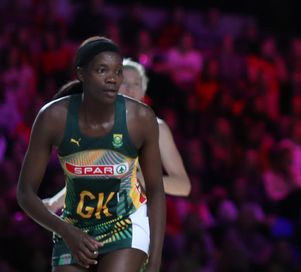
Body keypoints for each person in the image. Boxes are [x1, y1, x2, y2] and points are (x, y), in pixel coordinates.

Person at [17, 37, 166, 271]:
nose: (112, 78)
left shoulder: (140, 119)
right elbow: (25, 193)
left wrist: (155, 260)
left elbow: (156, 191)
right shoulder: (52, 118)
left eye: (118, 71)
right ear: (81, 74)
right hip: (74, 227)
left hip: (125, 221)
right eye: (101, 70)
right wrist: (65, 230)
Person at [44, 58, 191, 212]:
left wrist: (139, 179)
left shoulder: (157, 128)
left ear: (143, 90)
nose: (131, 89)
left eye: (136, 84)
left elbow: (183, 185)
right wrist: (54, 203)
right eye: (125, 82)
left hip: (137, 218)